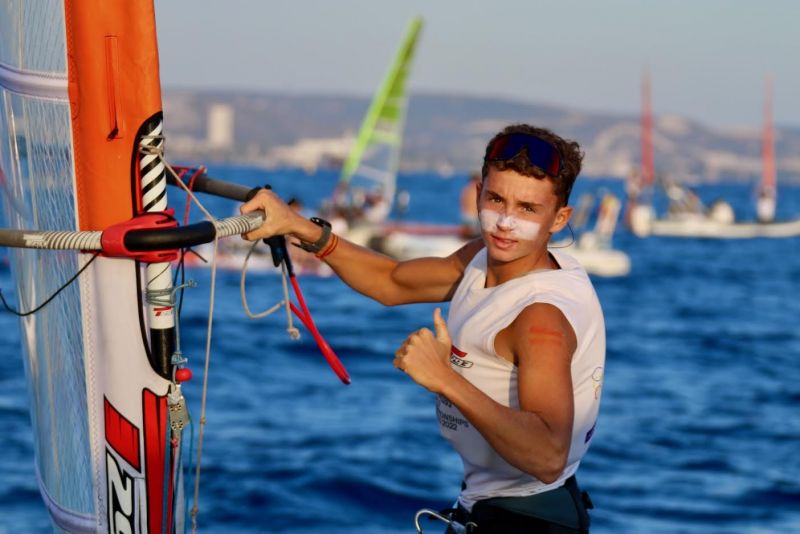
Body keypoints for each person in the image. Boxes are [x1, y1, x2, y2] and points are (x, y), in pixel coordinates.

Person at [241, 123, 605, 533]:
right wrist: (296, 226)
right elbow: (392, 281)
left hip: (529, 519)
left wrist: (445, 378)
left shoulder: (540, 318)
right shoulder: (484, 258)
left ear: (559, 218)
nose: (505, 222)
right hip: (488, 506)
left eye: (527, 209)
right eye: (496, 199)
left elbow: (549, 456)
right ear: (478, 193)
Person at [460, 171, 482, 237]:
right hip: (474, 217)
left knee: (466, 236)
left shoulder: (466, 189)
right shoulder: (477, 189)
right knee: (475, 236)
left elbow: (462, 202)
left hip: (465, 215)